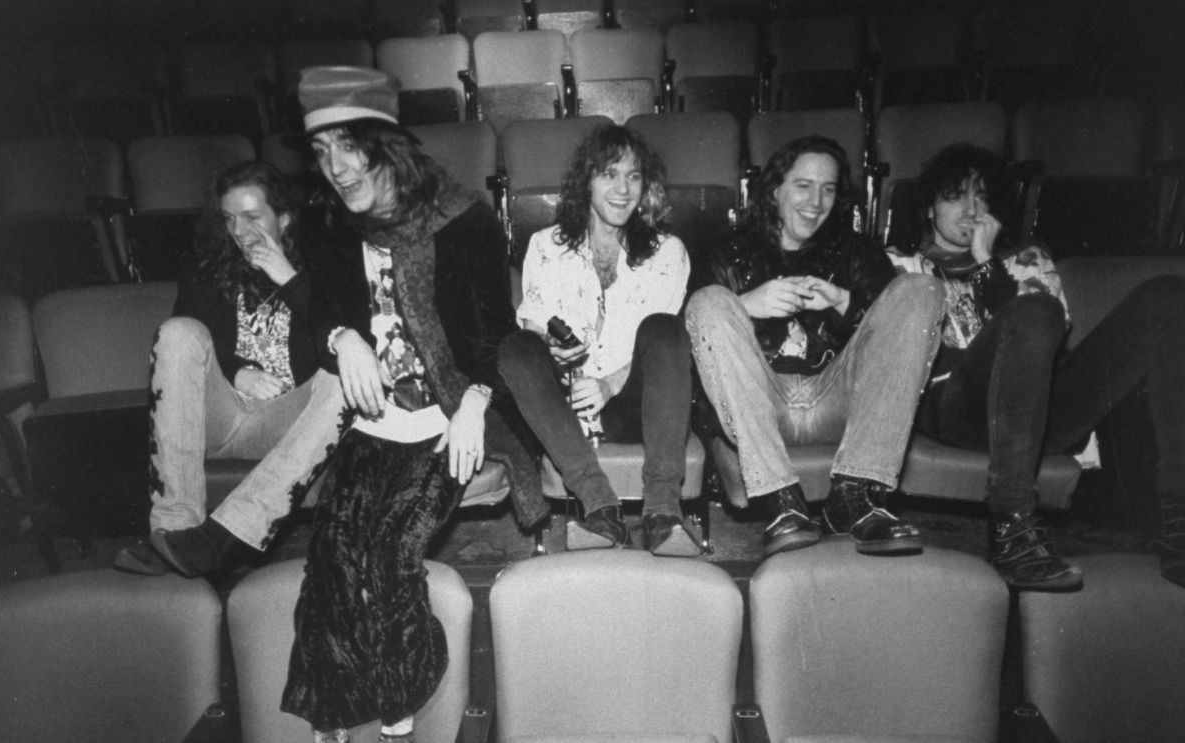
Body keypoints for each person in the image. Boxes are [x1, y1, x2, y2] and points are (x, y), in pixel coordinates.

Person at [279, 66, 543, 743]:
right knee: (335, 549)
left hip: (448, 415)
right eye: (320, 151)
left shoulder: (463, 220)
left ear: (384, 143)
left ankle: (403, 691)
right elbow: (320, 307)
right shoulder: (331, 224)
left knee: (391, 550)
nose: (335, 169)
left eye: (347, 146)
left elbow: (493, 336)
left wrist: (474, 405)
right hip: (371, 420)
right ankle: (336, 707)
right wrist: (342, 338)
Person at [887, 143, 1185, 596]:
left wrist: (988, 264)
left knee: (1177, 297)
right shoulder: (898, 265)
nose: (971, 210)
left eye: (982, 198)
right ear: (930, 206)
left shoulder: (1027, 259)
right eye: (956, 196)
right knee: (1034, 309)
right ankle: (1012, 527)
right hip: (953, 408)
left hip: (1036, 411)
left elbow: (1040, 342)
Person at [684, 135, 944, 558]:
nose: (816, 201)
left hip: (837, 402)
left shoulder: (858, 252)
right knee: (709, 300)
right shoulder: (728, 252)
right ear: (774, 190)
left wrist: (844, 303)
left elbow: (895, 345)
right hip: (759, 408)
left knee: (920, 290)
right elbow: (690, 337)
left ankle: (854, 495)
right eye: (803, 185)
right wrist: (746, 306)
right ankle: (782, 501)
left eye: (827, 188)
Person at [113, 160, 346, 577]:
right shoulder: (205, 265)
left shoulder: (324, 267)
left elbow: (336, 334)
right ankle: (174, 532)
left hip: (284, 422)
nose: (238, 231)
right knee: (178, 331)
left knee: (346, 372)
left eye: (252, 217)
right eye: (229, 218)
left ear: (286, 220)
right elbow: (191, 340)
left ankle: (224, 537)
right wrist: (239, 372)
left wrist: (286, 277)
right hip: (218, 415)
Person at [498, 124, 698, 556]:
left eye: (634, 176)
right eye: (609, 174)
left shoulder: (668, 251)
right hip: (564, 409)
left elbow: (659, 351)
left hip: (633, 405)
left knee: (666, 330)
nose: (623, 189)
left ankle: (663, 512)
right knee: (516, 347)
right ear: (585, 181)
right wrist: (551, 350)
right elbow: (533, 326)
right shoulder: (545, 247)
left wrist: (609, 384)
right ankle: (600, 508)